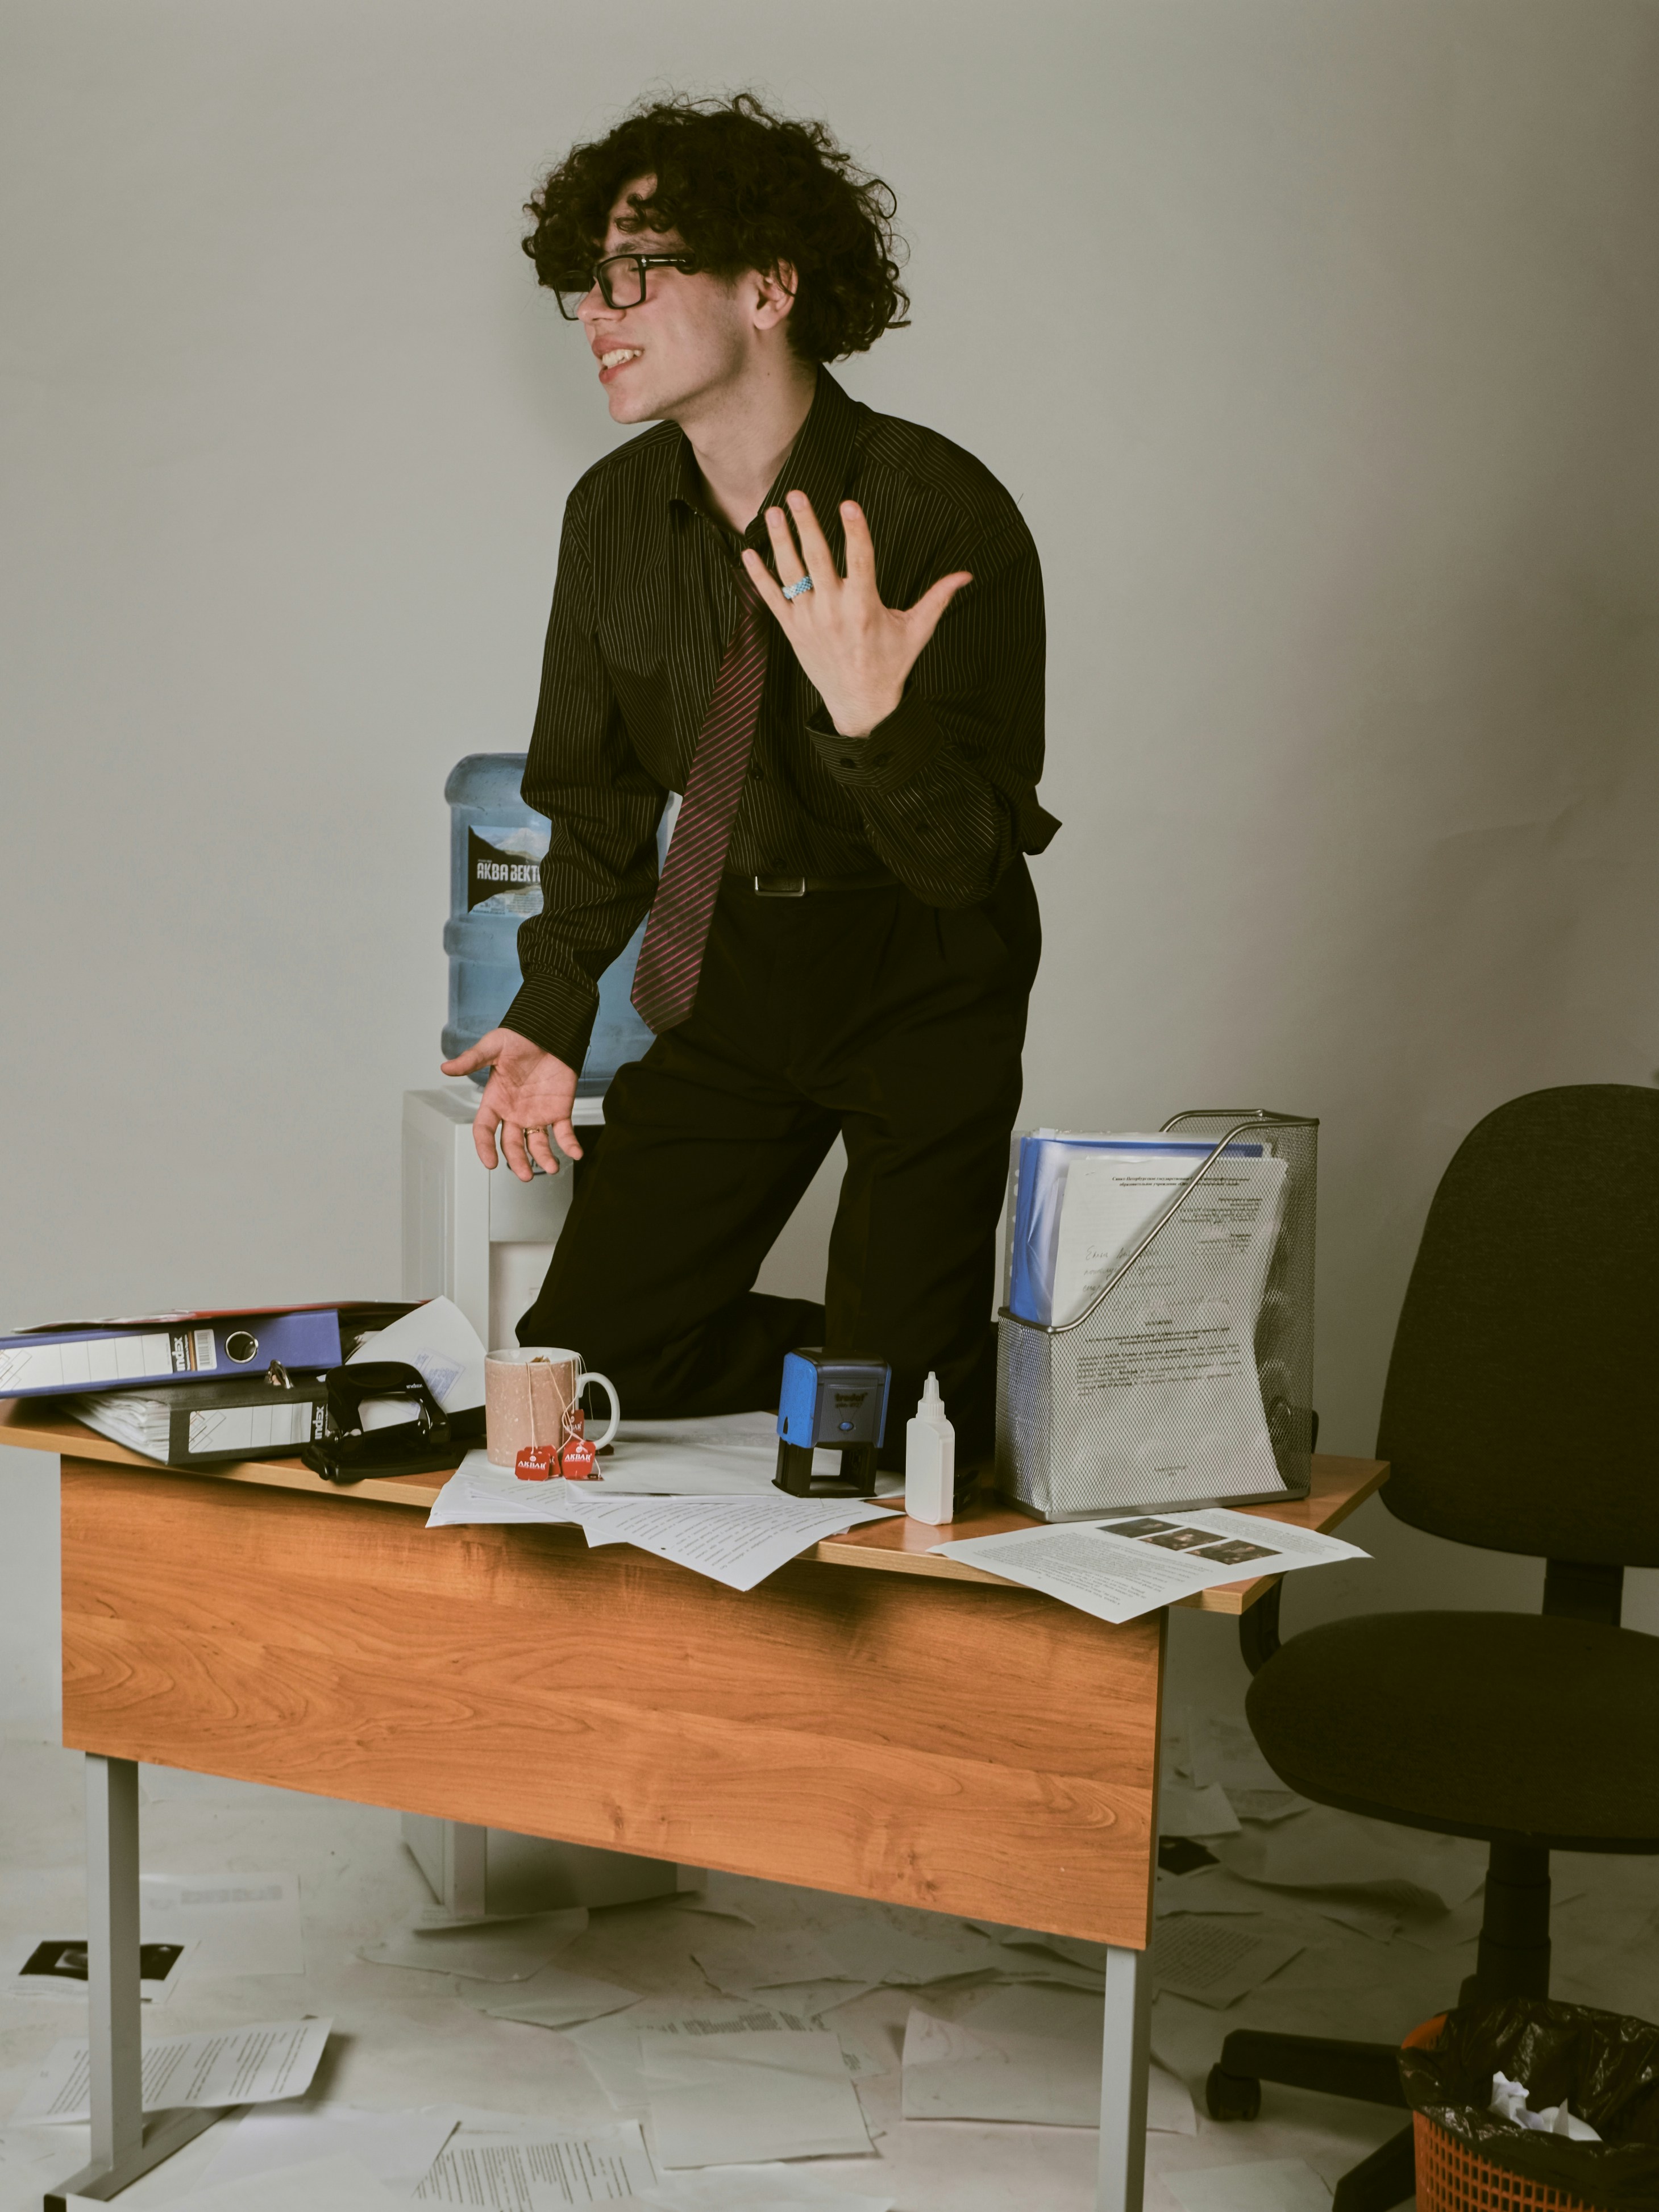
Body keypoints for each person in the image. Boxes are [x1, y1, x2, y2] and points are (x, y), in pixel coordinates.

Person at [442, 93, 1056, 1470]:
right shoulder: (609, 518)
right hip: (738, 956)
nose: (598, 314)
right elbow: (594, 800)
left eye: (634, 274)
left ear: (768, 287)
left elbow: (964, 859)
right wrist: (548, 1012)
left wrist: (872, 717)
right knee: (594, 1357)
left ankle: (908, 1367)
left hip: (925, 960)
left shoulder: (938, 508)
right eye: (583, 287)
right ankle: (898, 1356)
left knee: (893, 1443)